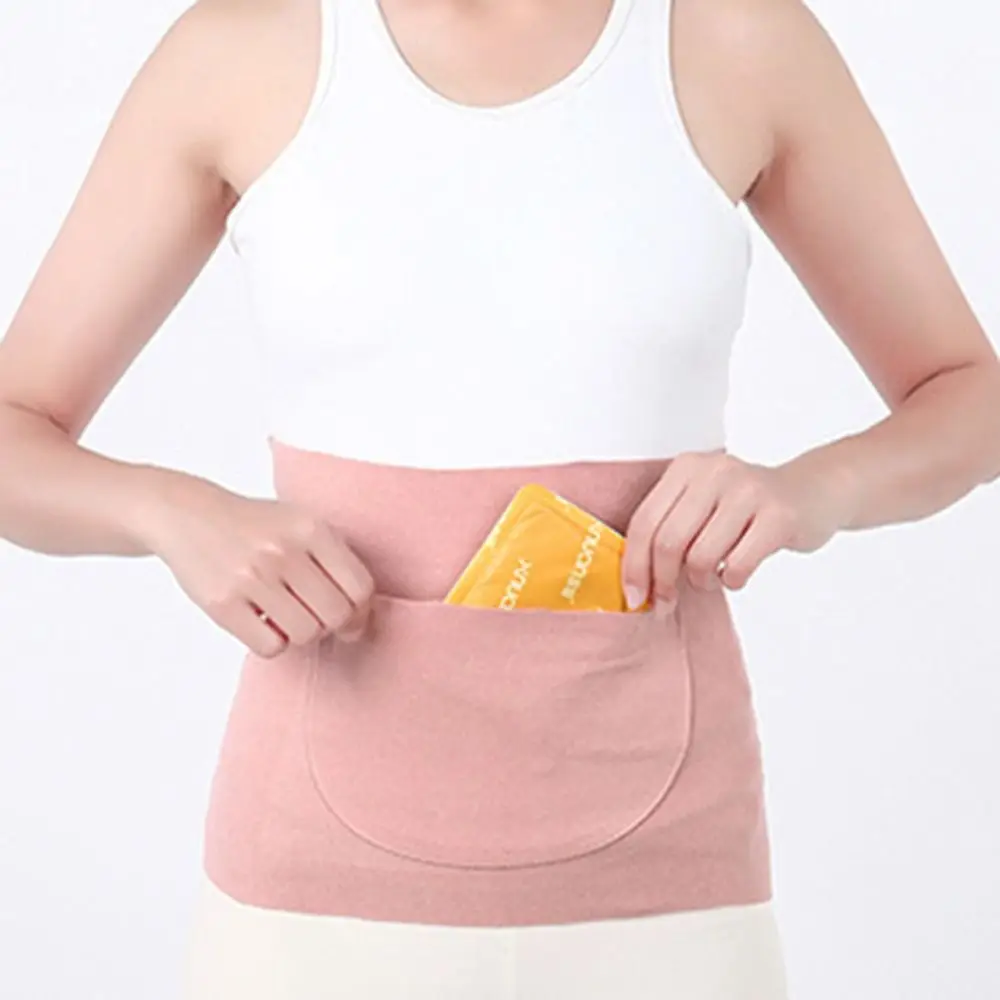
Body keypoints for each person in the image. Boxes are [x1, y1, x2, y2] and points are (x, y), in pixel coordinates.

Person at [1, 0, 997, 996]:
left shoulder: (735, 40)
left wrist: (813, 489)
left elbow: (969, 395)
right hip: (309, 897)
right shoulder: (241, 51)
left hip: (671, 888)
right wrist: (169, 511)